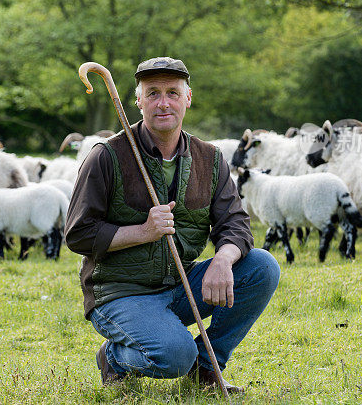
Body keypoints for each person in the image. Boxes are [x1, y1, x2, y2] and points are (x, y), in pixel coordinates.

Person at [65, 56, 281, 394]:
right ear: (138, 101)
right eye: (152, 93)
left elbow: (235, 223)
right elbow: (77, 233)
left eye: (172, 92)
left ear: (188, 97)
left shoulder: (209, 159)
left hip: (179, 284)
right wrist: (142, 231)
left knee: (261, 266)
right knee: (175, 356)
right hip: (120, 293)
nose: (163, 103)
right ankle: (114, 359)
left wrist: (224, 259)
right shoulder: (106, 156)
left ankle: (206, 371)